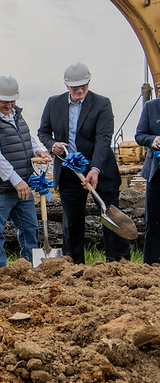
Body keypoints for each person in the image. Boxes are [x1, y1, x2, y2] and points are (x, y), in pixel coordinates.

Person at [38, 62, 130, 263]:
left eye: (83, 86)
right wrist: (52, 144)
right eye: (75, 87)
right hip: (69, 170)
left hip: (101, 170)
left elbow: (103, 139)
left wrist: (95, 168)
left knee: (111, 217)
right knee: (72, 223)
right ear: (66, 85)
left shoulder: (102, 103)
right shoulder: (53, 103)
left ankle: (118, 265)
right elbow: (43, 132)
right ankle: (74, 265)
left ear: (89, 82)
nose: (80, 90)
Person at [0, 75, 50, 267]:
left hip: (21, 184)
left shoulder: (16, 115)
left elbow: (25, 138)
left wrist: (36, 149)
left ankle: (30, 267)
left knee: (30, 228)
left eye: (12, 101)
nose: (9, 105)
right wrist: (16, 181)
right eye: (5, 101)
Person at [135, 98, 160, 264]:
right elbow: (140, 135)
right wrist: (153, 140)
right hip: (156, 174)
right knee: (154, 222)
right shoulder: (151, 107)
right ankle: (151, 266)